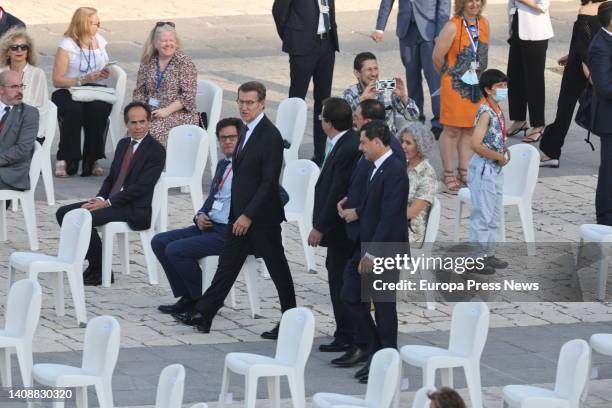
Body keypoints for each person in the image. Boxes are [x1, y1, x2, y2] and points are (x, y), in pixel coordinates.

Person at [172, 82, 296, 338]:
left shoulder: (269, 135)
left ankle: (290, 318)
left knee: (278, 268)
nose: (244, 107)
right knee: (227, 267)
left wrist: (248, 215)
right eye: (241, 101)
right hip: (238, 217)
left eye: (250, 102)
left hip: (262, 219)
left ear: (262, 103)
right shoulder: (245, 130)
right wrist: (237, 214)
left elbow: (268, 182)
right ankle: (204, 315)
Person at [55, 102, 166, 286]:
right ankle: (97, 265)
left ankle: (99, 269)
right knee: (64, 213)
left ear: (149, 122)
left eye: (142, 122)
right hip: (111, 202)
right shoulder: (123, 144)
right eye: (133, 122)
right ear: (126, 124)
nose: (138, 127)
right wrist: (99, 198)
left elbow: (141, 188)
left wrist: (107, 203)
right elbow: (112, 178)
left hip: (134, 208)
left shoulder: (156, 150)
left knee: (84, 217)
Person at [339, 121, 408, 384]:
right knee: (350, 296)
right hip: (366, 244)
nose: (360, 147)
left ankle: (387, 361)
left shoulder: (395, 171)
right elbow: (372, 205)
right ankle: (376, 349)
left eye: (364, 142)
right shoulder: (374, 166)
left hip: (384, 250)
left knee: (383, 307)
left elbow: (390, 217)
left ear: (378, 143)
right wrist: (353, 209)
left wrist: (373, 254)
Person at [152, 118, 241, 315]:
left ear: (242, 138)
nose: (227, 142)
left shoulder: (249, 167)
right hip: (209, 226)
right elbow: (212, 198)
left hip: (229, 232)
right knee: (159, 241)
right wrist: (199, 215)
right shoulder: (222, 165)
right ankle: (189, 296)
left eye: (232, 137)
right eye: (223, 138)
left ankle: (204, 300)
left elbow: (278, 196)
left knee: (176, 250)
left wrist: (247, 219)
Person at [308, 97, 360, 354]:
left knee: (340, 281)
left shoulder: (348, 147)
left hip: (342, 231)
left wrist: (320, 226)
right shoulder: (342, 142)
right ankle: (344, 332)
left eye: (322, 118)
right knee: (336, 276)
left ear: (328, 123)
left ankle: (348, 334)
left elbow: (336, 190)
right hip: (339, 231)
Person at [272, 0, 339, 166]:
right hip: (301, 47)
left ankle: (321, 153)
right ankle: (289, 151)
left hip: (327, 44)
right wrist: (292, 36)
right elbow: (278, 11)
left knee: (324, 103)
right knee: (296, 100)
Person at [372, 0, 451, 139]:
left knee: (434, 79)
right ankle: (415, 118)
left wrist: (441, 31)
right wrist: (380, 28)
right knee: (412, 77)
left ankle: (439, 122)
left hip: (430, 31)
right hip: (406, 30)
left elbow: (444, 5)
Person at [433, 0, 490, 193]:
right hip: (455, 85)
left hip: (475, 85)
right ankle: (448, 173)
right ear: (462, 3)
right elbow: (437, 56)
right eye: (469, 1)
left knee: (469, 129)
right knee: (451, 130)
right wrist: (450, 76)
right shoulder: (452, 26)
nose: (474, 4)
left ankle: (464, 170)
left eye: (478, 0)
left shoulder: (484, 23)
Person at [539, 0, 603, 167]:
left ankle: (551, 153)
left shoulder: (586, 9)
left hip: (581, 68)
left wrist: (589, 74)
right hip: (599, 64)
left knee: (565, 109)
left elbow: (584, 48)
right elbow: (592, 39)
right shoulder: (607, 8)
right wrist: (570, 55)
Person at [52, 7, 112, 178]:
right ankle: (65, 157)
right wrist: (82, 79)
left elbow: (104, 65)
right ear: (83, 24)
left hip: (95, 89)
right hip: (69, 89)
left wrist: (104, 72)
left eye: (99, 23)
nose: (98, 26)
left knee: (99, 109)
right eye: (95, 23)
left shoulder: (99, 40)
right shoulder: (67, 45)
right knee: (73, 110)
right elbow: (57, 80)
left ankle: (92, 158)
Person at [468, 69, 511, 273]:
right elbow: (475, 144)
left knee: (494, 214)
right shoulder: (486, 112)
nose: (504, 89)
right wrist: (498, 156)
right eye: (500, 86)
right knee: (482, 215)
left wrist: (503, 152)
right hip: (485, 169)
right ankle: (476, 258)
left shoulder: (498, 109)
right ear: (488, 89)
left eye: (505, 85)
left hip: (496, 168)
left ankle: (489, 253)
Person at [133, 22, 198, 146]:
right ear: (156, 43)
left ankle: (151, 164)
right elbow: (139, 91)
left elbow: (188, 97)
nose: (168, 44)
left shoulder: (184, 63)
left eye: (171, 40)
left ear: (176, 42)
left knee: (150, 132)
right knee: (134, 127)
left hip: (178, 113)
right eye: (164, 41)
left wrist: (166, 111)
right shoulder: (148, 61)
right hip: (151, 110)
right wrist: (141, 110)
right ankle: (133, 164)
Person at [506, 0, 554, 143]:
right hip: (517, 27)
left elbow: (543, 6)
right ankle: (519, 119)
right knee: (514, 77)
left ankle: (538, 125)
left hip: (535, 32)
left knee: (534, 80)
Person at [342, 52, 419, 135]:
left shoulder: (388, 90)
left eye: (376, 69)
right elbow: (345, 126)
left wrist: (403, 97)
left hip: (388, 141)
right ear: (357, 73)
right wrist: (361, 102)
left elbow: (413, 117)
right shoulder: (349, 94)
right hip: (362, 141)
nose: (374, 74)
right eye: (369, 70)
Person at [588, 1, 612, 225]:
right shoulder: (600, 46)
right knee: (609, 170)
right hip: (609, 119)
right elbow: (604, 86)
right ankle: (605, 217)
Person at [399, 122, 438, 249]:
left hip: (409, 232)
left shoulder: (427, 174)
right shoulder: (402, 166)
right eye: (402, 141)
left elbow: (411, 212)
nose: (403, 146)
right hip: (394, 222)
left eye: (408, 143)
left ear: (420, 146)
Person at [0, 28, 48, 130]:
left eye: (23, 47)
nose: (19, 50)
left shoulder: (38, 74)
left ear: (28, 51)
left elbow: (42, 108)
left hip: (28, 127)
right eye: (14, 47)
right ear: (7, 52)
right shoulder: (1, 73)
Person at [0, 70, 39, 191]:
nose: (20, 91)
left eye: (21, 86)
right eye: (14, 87)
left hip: (10, 171)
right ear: (1, 89)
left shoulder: (29, 113)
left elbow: (22, 148)